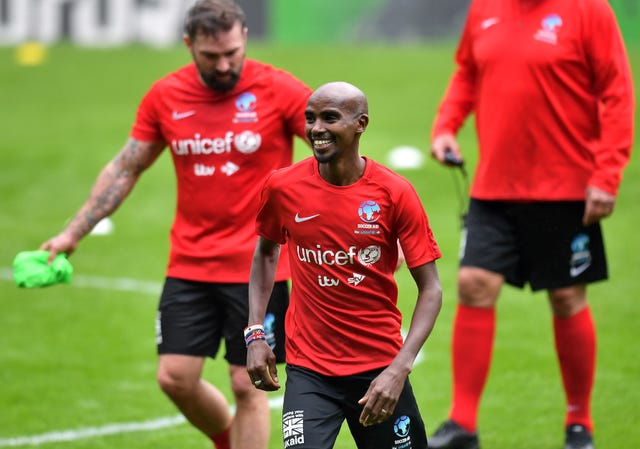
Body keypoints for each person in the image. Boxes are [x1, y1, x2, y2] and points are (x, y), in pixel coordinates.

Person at [39, 1, 312, 448]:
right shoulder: (166, 96)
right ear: (189, 45)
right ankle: (227, 440)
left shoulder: (279, 89)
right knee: (175, 377)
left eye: (233, 53)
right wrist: (74, 231)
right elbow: (127, 168)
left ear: (245, 37)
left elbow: (331, 147)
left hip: (259, 267)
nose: (224, 65)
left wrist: (371, 225)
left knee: (249, 382)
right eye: (211, 56)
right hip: (190, 261)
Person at [427, 1, 635, 449]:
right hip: (493, 186)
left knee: (566, 296)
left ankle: (579, 422)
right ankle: (463, 423)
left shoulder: (589, 10)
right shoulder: (484, 8)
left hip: (567, 189)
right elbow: (467, 72)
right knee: (473, 282)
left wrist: (607, 175)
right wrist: (446, 125)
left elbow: (617, 91)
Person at [245, 81, 443, 449]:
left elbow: (431, 288)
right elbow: (266, 253)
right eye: (310, 118)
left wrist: (399, 368)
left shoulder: (394, 193)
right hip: (309, 370)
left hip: (379, 368)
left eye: (330, 118)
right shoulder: (282, 187)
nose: (316, 128)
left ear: (360, 124)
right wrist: (255, 333)